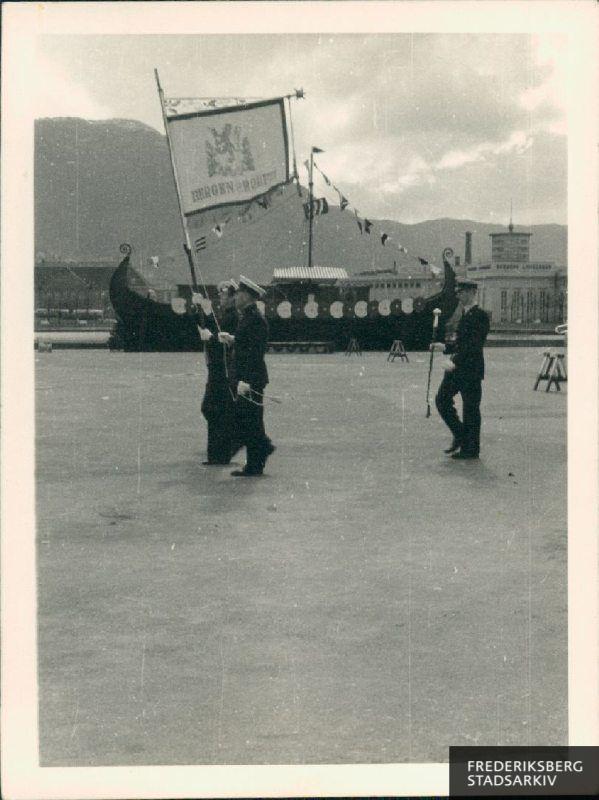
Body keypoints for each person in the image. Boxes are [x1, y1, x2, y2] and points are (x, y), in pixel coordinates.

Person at [218, 275, 275, 477]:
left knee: (249, 420)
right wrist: (232, 339)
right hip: (248, 377)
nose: (237, 297)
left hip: (250, 377)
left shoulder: (255, 320)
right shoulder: (249, 317)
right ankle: (259, 456)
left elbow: (253, 353)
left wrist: (245, 381)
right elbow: (245, 344)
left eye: (240, 294)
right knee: (250, 420)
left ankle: (256, 463)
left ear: (249, 297)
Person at [430, 279, 490, 460]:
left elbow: (474, 345)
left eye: (462, 291)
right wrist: (444, 347)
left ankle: (471, 449)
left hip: (470, 369)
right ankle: (462, 436)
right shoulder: (465, 314)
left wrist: (455, 362)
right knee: (442, 400)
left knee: (470, 409)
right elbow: (461, 343)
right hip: (460, 366)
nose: (458, 294)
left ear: (472, 292)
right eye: (458, 291)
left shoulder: (480, 315)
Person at [196, 279, 238, 465]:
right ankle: (219, 453)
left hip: (223, 369)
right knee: (216, 410)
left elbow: (224, 341)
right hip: (217, 367)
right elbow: (216, 329)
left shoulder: (233, 316)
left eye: (223, 294)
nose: (220, 296)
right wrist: (203, 311)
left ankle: (221, 452)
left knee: (213, 409)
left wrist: (210, 337)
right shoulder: (226, 314)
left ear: (232, 297)